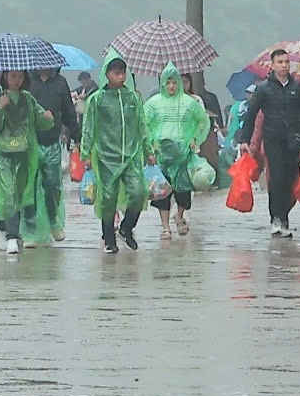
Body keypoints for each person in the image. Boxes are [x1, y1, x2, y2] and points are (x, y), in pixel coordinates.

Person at [80, 51, 151, 252]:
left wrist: (148, 149)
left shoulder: (133, 98)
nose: (120, 76)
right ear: (107, 74)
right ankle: (109, 240)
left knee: (139, 192)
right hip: (106, 157)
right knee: (108, 198)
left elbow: (142, 125)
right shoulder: (97, 100)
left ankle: (127, 228)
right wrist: (85, 153)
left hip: (131, 155)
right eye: (116, 72)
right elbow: (89, 127)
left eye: (122, 72)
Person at [244, 47, 300, 238]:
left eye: (287, 62)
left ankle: (284, 216)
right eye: (280, 62)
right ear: (273, 65)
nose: (284, 65)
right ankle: (276, 218)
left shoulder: (298, 89)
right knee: (276, 179)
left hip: (294, 140)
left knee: (290, 180)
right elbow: (251, 115)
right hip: (273, 139)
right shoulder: (264, 89)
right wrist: (244, 139)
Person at [0, 68, 58, 253]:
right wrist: (0, 108)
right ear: (5, 76)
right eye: (13, 76)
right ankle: (12, 237)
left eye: (20, 76)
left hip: (24, 154)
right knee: (8, 194)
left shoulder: (28, 99)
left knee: (20, 196)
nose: (17, 80)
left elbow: (40, 122)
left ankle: (5, 228)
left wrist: (48, 119)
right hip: (3, 154)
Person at [142, 63, 211, 241]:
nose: (171, 86)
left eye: (175, 82)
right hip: (161, 157)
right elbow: (143, 125)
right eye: (168, 82)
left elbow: (203, 122)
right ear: (162, 83)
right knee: (161, 194)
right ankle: (165, 228)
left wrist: (195, 138)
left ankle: (180, 215)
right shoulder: (153, 103)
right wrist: (151, 143)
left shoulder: (189, 103)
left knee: (183, 191)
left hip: (182, 156)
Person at [30, 68, 80, 241]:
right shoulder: (28, 80)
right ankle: (30, 228)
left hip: (52, 142)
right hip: (30, 143)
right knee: (29, 187)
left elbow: (68, 111)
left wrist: (77, 137)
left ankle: (53, 222)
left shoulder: (60, 83)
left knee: (52, 185)